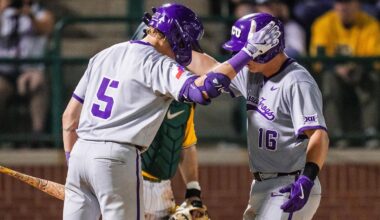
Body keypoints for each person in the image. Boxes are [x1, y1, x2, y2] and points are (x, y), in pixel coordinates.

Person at [61, 3, 281, 220]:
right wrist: (248, 52)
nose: (185, 48)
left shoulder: (105, 54)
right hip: (117, 156)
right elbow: (203, 91)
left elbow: (69, 118)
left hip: (81, 152)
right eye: (185, 41)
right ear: (175, 35)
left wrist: (74, 161)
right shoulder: (157, 62)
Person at [198, 13, 329, 219]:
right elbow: (210, 71)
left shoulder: (297, 81)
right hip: (261, 185)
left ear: (268, 48)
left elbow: (318, 135)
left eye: (246, 49)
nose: (242, 55)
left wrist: (307, 179)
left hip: (290, 183)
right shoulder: (252, 72)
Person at [132, 22, 207, 220]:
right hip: (132, 181)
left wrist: (193, 190)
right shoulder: (133, 89)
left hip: (164, 187)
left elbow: (185, 143)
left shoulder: (184, 96)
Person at [310, 0, 380, 148]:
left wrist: (355, 66)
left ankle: (370, 132)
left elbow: (375, 59)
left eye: (348, 3)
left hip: (361, 72)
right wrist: (337, 68)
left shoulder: (370, 24)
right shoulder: (323, 23)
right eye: (340, 3)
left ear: (358, 5)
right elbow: (318, 60)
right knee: (329, 80)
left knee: (372, 78)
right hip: (334, 74)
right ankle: (337, 135)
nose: (343, 7)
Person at [0, 0, 54, 136]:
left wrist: (30, 16)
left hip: (30, 69)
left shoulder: (40, 13)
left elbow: (46, 28)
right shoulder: (4, 12)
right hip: (4, 72)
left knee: (37, 82)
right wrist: (2, 8)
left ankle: (37, 134)